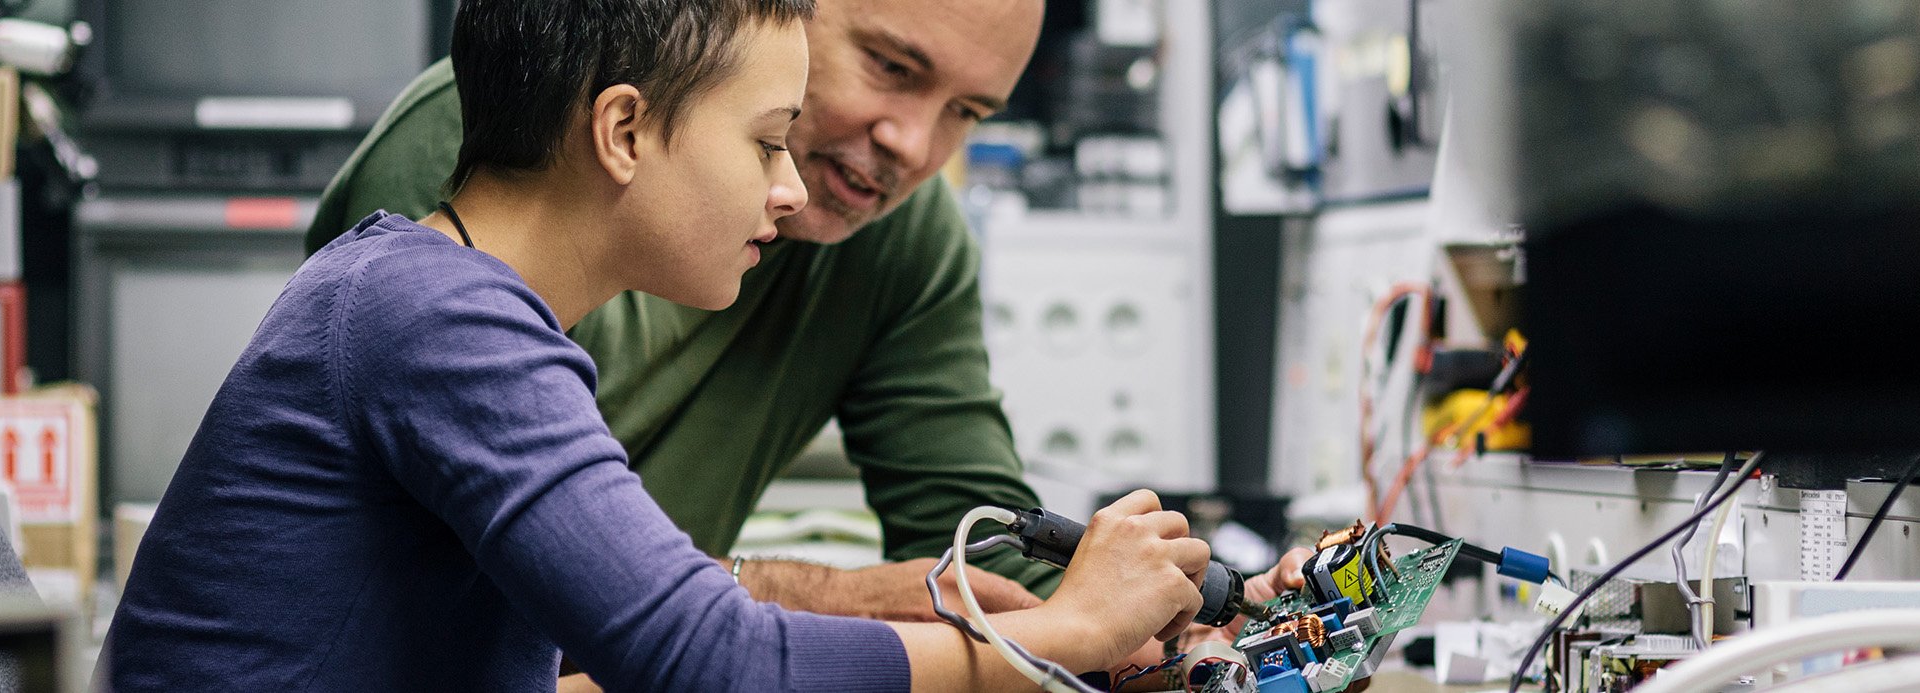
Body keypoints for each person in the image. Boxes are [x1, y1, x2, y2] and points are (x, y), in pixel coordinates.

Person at [102, 0, 1220, 690]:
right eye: (768, 143)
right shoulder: (443, 321)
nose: (790, 191)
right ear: (625, 130)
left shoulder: (446, 300)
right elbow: (710, 660)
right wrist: (1066, 633)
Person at [306, 0, 1301, 623]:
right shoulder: (492, 164)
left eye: (965, 113)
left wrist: (1173, 624)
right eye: (894, 68)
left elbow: (987, 550)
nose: (916, 146)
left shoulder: (905, 238)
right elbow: (482, 604)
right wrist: (814, 596)